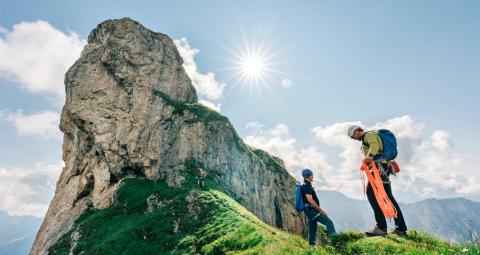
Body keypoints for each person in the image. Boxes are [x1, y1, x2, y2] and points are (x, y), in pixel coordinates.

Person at [347, 125, 408, 236]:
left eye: (353, 135)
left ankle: (381, 227)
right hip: (383, 167)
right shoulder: (370, 136)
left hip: (379, 168)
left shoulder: (368, 135)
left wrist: (369, 157)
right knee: (388, 197)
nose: (354, 138)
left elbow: (374, 145)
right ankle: (401, 228)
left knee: (371, 194)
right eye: (352, 137)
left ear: (357, 131)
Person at [300, 169, 336, 245]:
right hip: (312, 211)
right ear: (309, 176)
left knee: (313, 229)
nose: (313, 176)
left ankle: (311, 247)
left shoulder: (305, 185)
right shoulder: (307, 186)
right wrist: (321, 211)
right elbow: (310, 200)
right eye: (312, 175)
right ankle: (336, 242)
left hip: (309, 211)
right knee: (328, 222)